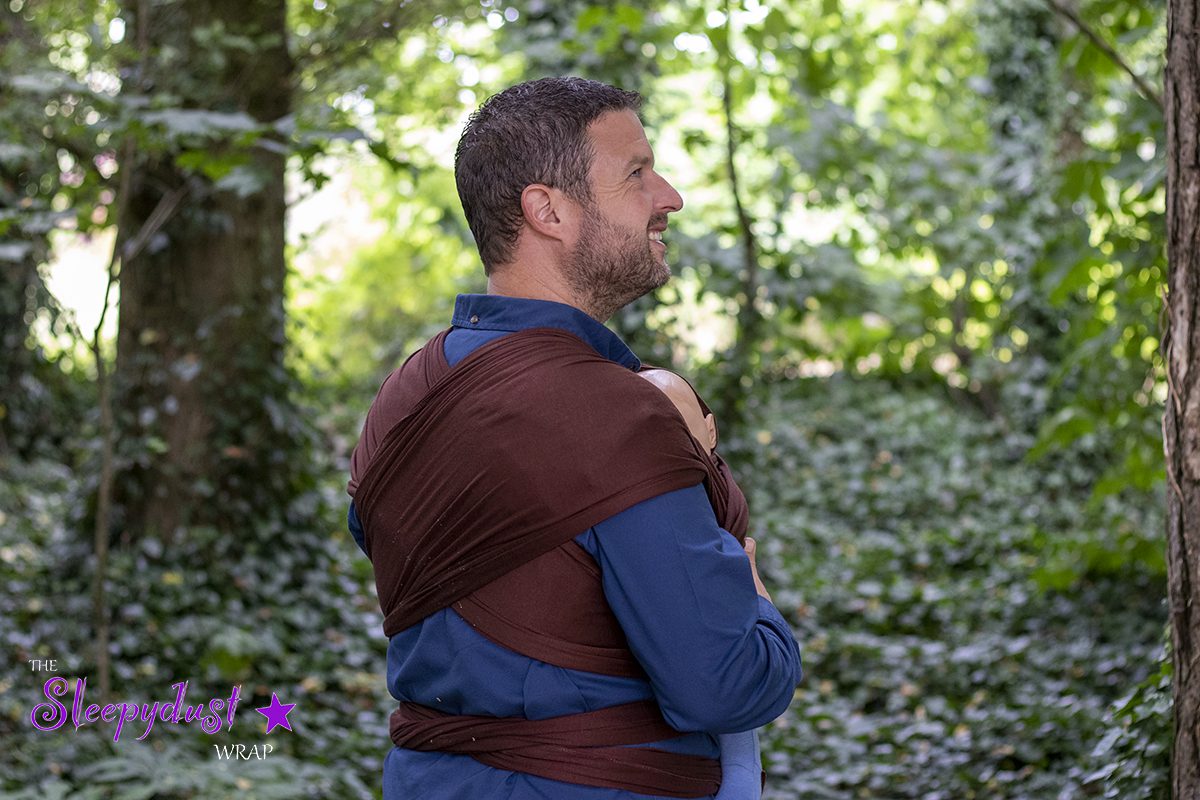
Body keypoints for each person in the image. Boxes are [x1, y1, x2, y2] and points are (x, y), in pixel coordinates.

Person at [346, 76, 802, 800]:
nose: (669, 197)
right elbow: (725, 687)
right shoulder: (614, 414)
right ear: (548, 211)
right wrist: (758, 608)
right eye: (637, 174)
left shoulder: (405, 393)